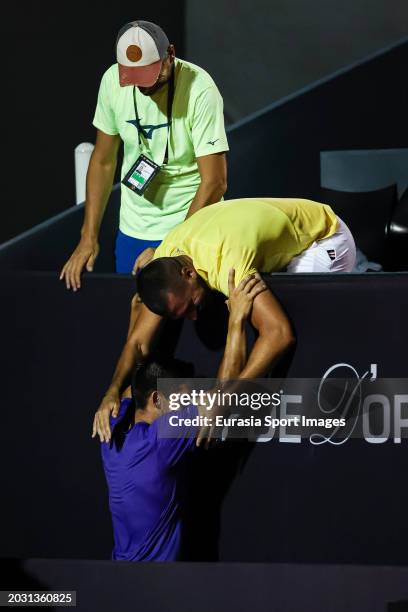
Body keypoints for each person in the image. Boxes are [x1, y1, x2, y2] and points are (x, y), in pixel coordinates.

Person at [92, 196, 356, 443]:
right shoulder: (165, 260)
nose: (194, 317)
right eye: (182, 315)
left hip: (324, 237)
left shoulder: (227, 262)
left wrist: (223, 399)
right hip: (255, 235)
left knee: (290, 316)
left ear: (188, 273)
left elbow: (279, 334)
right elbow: (138, 342)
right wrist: (112, 390)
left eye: (191, 306)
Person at [97, 273, 265, 561]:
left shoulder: (111, 426)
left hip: (119, 575)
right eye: (181, 397)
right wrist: (236, 319)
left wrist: (138, 318)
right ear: (156, 399)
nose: (186, 403)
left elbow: (136, 378)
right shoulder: (161, 440)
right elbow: (222, 396)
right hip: (156, 587)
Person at [60, 20, 228, 290]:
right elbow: (103, 161)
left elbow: (215, 182)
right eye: (133, 78)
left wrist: (171, 248)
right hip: (134, 228)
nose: (143, 87)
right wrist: (87, 236)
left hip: (193, 227)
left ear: (169, 55)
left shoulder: (200, 90)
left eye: (150, 75)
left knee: (190, 315)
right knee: (135, 319)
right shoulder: (112, 82)